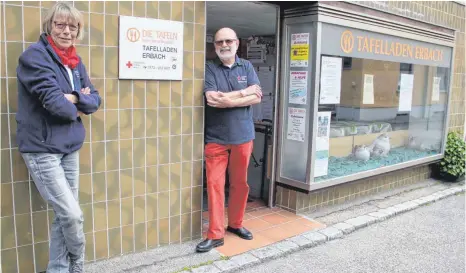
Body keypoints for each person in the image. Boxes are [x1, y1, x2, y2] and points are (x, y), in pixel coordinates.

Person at [16, 2, 101, 272]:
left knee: (63, 216)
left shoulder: (74, 62)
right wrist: (78, 100)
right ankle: (78, 264)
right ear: (49, 26)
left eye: (72, 26)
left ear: (79, 31)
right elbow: (55, 104)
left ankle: (58, 269)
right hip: (42, 148)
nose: (66, 31)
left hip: (69, 146)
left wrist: (75, 97)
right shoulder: (35, 57)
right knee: (72, 214)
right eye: (60, 25)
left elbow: (95, 100)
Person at [196, 27, 263, 253]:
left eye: (228, 41)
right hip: (216, 137)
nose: (224, 45)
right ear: (215, 46)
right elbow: (212, 99)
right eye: (219, 42)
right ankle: (215, 234)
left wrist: (232, 99)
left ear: (236, 43)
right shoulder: (209, 67)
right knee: (215, 185)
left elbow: (257, 96)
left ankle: (236, 224)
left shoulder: (247, 66)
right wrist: (244, 93)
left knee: (240, 184)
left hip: (243, 136)